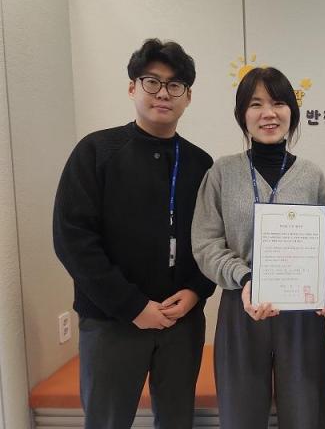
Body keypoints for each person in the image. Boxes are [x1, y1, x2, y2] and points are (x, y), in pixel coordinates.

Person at [53, 39, 216, 428]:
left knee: (177, 420)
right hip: (112, 321)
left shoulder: (199, 162)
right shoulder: (97, 151)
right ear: (132, 88)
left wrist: (196, 291)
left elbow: (211, 238)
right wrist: (132, 307)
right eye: (151, 82)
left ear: (188, 97)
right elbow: (73, 239)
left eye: (175, 85)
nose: (163, 93)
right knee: (108, 421)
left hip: (182, 322)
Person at [191, 67, 325, 429]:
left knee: (305, 415)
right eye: (256, 104)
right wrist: (246, 276)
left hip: (301, 311)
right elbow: (205, 244)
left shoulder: (312, 176)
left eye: (279, 103)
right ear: (242, 115)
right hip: (242, 303)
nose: (268, 113)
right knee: (240, 414)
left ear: (292, 113)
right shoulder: (221, 173)